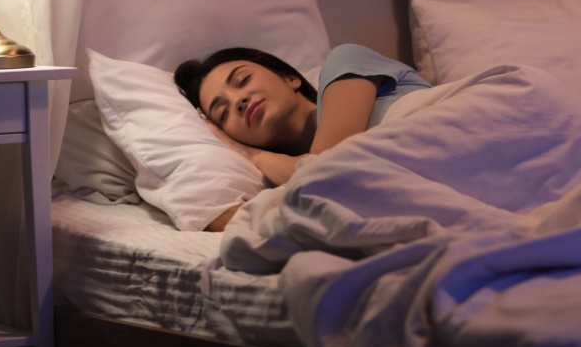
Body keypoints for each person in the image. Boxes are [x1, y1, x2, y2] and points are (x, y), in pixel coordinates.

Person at [175, 43, 431, 230]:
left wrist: (249, 153)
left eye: (243, 80)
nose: (238, 100)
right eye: (223, 112)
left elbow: (327, 172)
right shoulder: (283, 184)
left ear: (291, 78)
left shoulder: (346, 60)